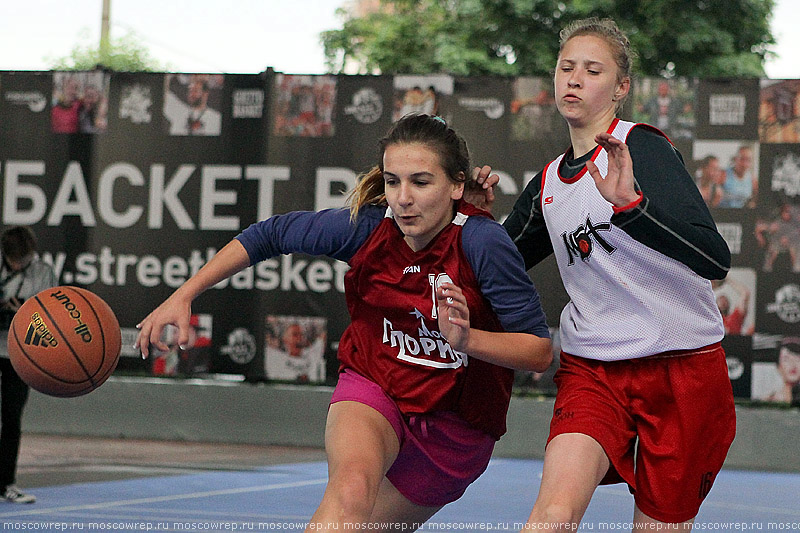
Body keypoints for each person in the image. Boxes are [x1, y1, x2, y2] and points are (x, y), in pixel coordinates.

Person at [136, 114, 552, 531]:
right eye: (392, 181)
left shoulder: (483, 242)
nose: (403, 197)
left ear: (456, 185)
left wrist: (466, 339)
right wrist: (184, 294)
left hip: (455, 429)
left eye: (420, 182)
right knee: (350, 491)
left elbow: (537, 351)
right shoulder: (366, 228)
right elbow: (270, 234)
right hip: (376, 384)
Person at [475, 17, 734, 530]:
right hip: (594, 369)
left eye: (592, 70)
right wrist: (477, 221)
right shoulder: (549, 182)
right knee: (550, 516)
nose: (573, 78)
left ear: (620, 88)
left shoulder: (643, 147)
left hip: (681, 371)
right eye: (566, 67)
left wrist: (633, 208)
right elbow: (496, 268)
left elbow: (713, 258)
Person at [0, 226, 57, 504]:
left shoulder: (42, 272)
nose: (19, 264)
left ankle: (6, 483)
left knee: (11, 419)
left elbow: (50, 314)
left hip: (18, 354)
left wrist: (22, 309)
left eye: (24, 259)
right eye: (14, 260)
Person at [763, 338, 800, 404]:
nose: (793, 364)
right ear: (778, 366)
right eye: (786, 359)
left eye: (797, 359)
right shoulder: (768, 401)